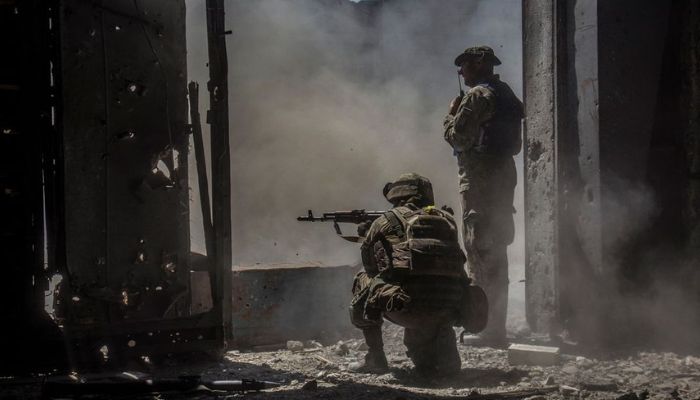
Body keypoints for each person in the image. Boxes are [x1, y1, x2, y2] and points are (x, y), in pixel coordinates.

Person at [349, 173, 487, 376]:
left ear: (397, 195)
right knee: (431, 365)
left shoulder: (385, 221)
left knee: (363, 278)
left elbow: (371, 266)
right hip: (449, 308)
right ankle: (443, 355)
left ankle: (375, 357)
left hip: (407, 307)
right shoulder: (447, 220)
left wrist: (369, 234)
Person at [443, 46, 524, 346]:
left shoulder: (478, 96)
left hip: (480, 180)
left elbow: (458, 137)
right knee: (498, 249)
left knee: (480, 250)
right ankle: (495, 326)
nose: (461, 73)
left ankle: (486, 328)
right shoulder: (505, 93)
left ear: (478, 64)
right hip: (503, 176)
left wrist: (450, 116)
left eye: (463, 66)